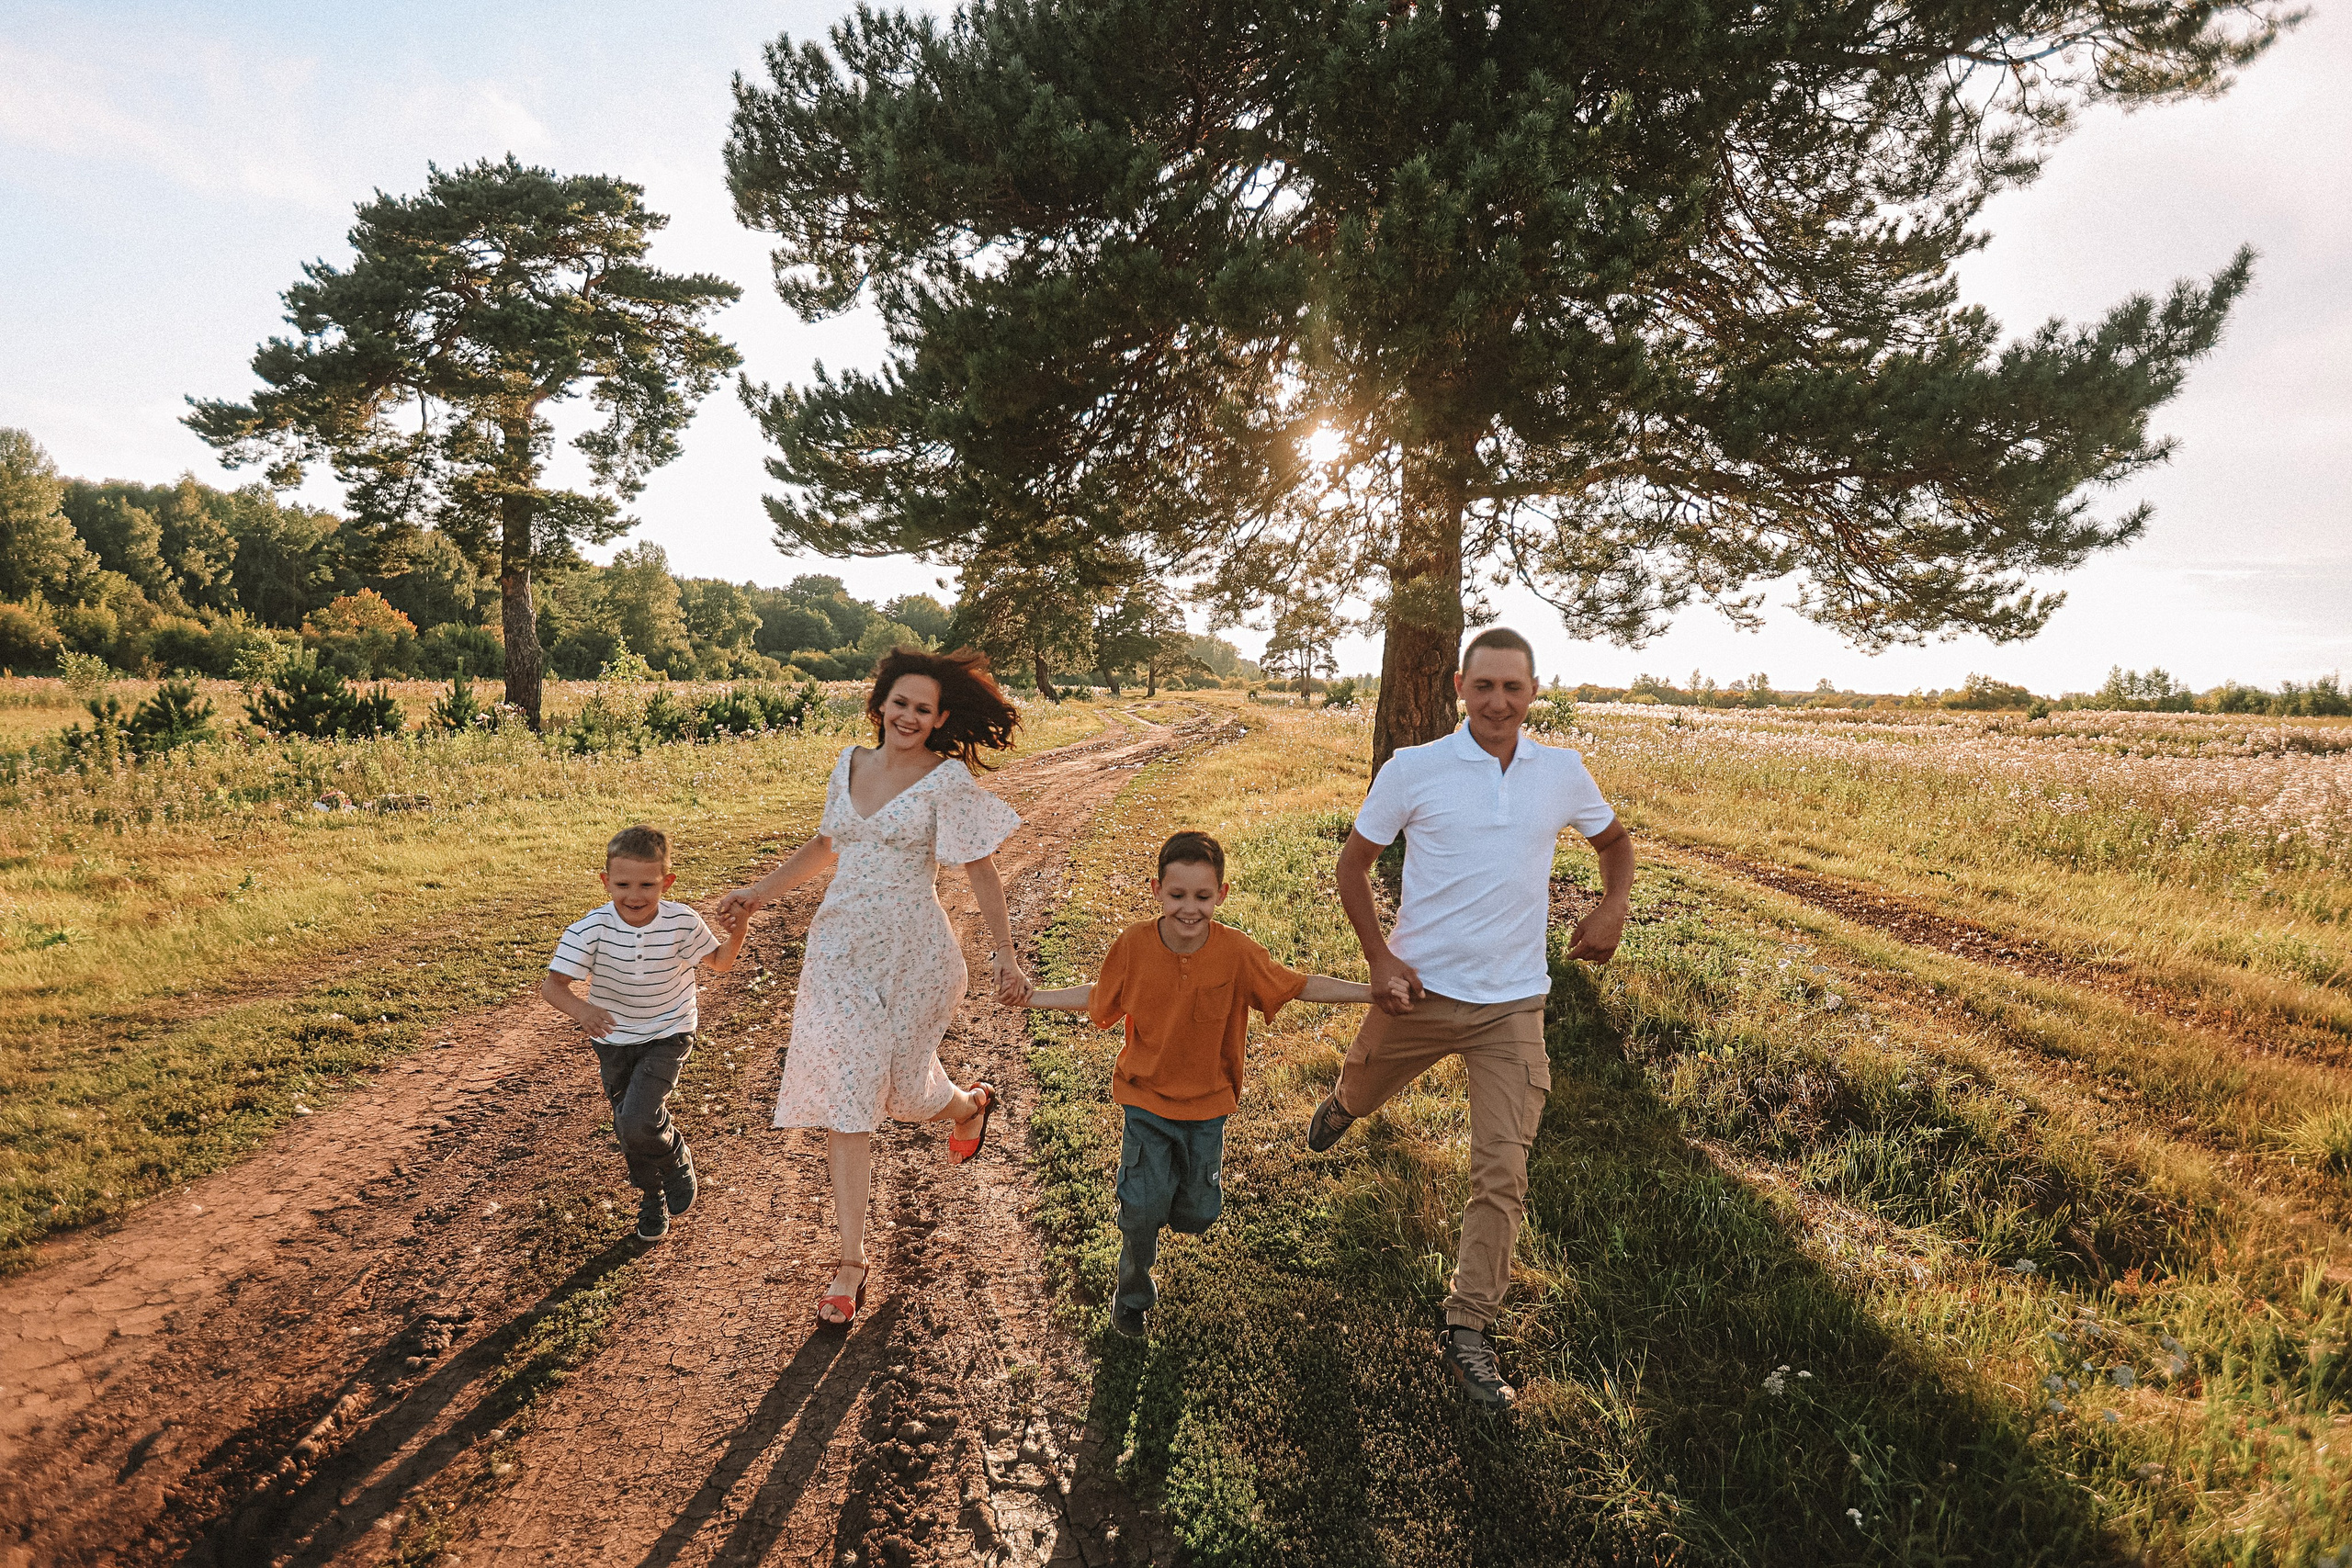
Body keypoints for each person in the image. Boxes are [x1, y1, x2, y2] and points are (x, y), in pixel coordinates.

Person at [1307, 626, 1635, 1409]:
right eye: (1483, 686)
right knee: (1361, 1084)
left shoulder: (1561, 772)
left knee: (1503, 1170)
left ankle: (1469, 1325)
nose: (1498, 702)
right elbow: (1354, 864)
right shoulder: (1414, 768)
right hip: (1415, 994)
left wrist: (1612, 902)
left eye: (1512, 688)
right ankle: (1347, 1102)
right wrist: (1380, 959)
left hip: (1512, 1006)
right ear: (1460, 687)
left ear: (1533, 692)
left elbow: (1615, 844)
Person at [716, 649, 1031, 1329]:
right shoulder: (848, 764)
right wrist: (759, 893)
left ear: (941, 717)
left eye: (924, 708)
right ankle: (850, 1264)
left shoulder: (945, 780)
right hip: (838, 951)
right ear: (879, 703)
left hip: (915, 956)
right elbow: (827, 845)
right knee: (848, 1097)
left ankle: (966, 1105)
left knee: (905, 1095)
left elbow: (981, 873)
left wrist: (1007, 957)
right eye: (900, 702)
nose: (909, 716)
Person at [1025, 830, 1398, 1339]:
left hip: (1207, 1108)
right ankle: (1132, 1294)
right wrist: (1033, 998)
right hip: (1147, 1102)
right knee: (1141, 1213)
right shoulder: (1134, 946)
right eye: (1177, 895)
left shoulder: (1236, 954)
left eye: (1202, 897)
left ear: (1221, 895)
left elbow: (1298, 985)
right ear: (1156, 889)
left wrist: (1372, 992)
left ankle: (1172, 1195)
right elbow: (1099, 996)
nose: (1189, 909)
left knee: (1198, 1215)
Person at [541, 823, 750, 1244]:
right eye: (622, 884)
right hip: (614, 1040)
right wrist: (582, 1009)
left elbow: (720, 964)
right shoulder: (591, 929)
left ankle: (675, 1159)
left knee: (638, 1117)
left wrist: (738, 930)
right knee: (627, 1125)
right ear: (605, 881)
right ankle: (651, 1195)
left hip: (668, 1031)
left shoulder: (681, 921)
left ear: (666, 882)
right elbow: (553, 986)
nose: (633, 896)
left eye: (646, 885)